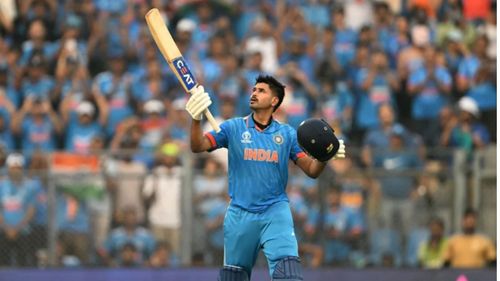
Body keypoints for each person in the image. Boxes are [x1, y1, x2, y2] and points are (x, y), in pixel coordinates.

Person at [187, 75, 345, 280]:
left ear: (274, 101)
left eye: (261, 91)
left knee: (289, 275)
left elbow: (312, 171)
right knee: (233, 277)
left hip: (275, 212)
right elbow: (197, 145)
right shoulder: (232, 127)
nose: (254, 93)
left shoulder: (287, 134)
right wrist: (196, 119)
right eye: (254, 89)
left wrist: (325, 156)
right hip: (240, 213)